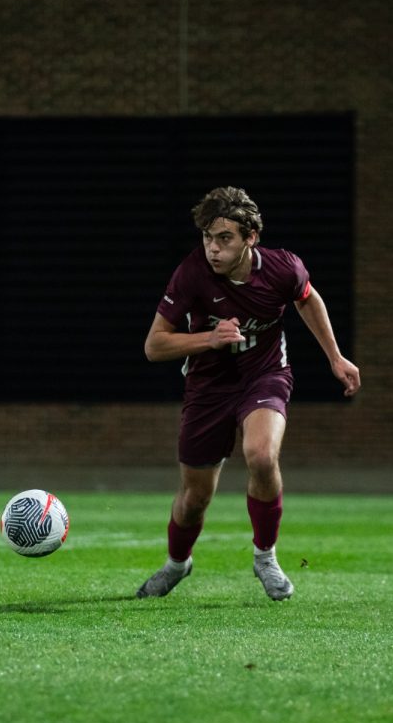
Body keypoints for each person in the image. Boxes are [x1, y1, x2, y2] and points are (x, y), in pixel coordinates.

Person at [136, 186, 360, 601]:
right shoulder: (191, 274)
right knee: (194, 498)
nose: (213, 249)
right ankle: (177, 564)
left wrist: (335, 356)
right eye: (207, 237)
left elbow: (307, 300)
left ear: (250, 238)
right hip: (208, 386)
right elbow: (154, 346)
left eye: (224, 239)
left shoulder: (282, 268)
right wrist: (208, 339)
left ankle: (265, 556)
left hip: (265, 375)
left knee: (261, 454)